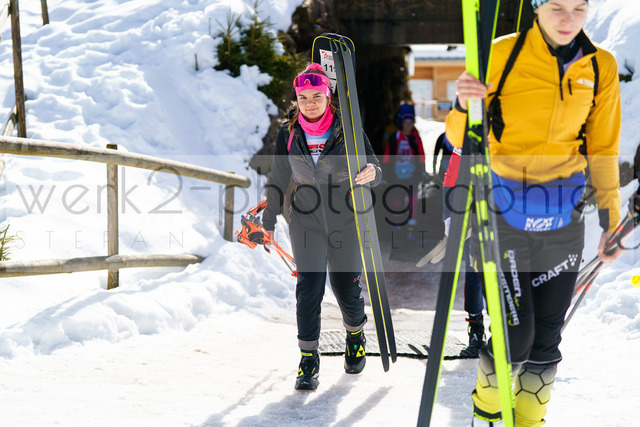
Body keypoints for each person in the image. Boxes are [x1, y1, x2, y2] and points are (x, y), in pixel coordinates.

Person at [445, 0, 623, 425]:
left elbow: (603, 148)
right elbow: (460, 137)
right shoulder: (499, 55)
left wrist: (611, 220)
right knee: (515, 334)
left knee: (546, 339)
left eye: (578, 8)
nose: (568, 19)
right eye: (557, 7)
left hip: (563, 217)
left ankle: (528, 421)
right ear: (538, 7)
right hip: (501, 215)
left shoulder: (600, 66)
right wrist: (462, 104)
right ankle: (487, 417)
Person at [262, 63, 383, 391]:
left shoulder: (349, 129)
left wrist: (373, 172)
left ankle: (355, 336)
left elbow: (375, 165)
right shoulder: (288, 133)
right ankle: (308, 359)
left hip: (345, 217)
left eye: (316, 96)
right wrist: (269, 220)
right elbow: (278, 178)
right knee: (309, 287)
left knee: (346, 289)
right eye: (303, 97)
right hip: (306, 219)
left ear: (328, 96)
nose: (309, 103)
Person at [441, 135, 486, 358]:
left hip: (503, 213)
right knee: (474, 271)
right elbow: (451, 177)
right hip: (471, 213)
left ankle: (506, 329)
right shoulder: (467, 137)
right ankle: (476, 327)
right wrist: (449, 214)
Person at [380, 103, 426, 242]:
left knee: (412, 203)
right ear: (402, 123)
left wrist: (422, 174)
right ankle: (396, 227)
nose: (408, 125)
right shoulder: (395, 137)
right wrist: (385, 175)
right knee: (397, 201)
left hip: (412, 175)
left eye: (411, 123)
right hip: (397, 175)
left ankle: (411, 230)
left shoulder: (416, 138)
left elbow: (421, 156)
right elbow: (387, 156)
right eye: (406, 122)